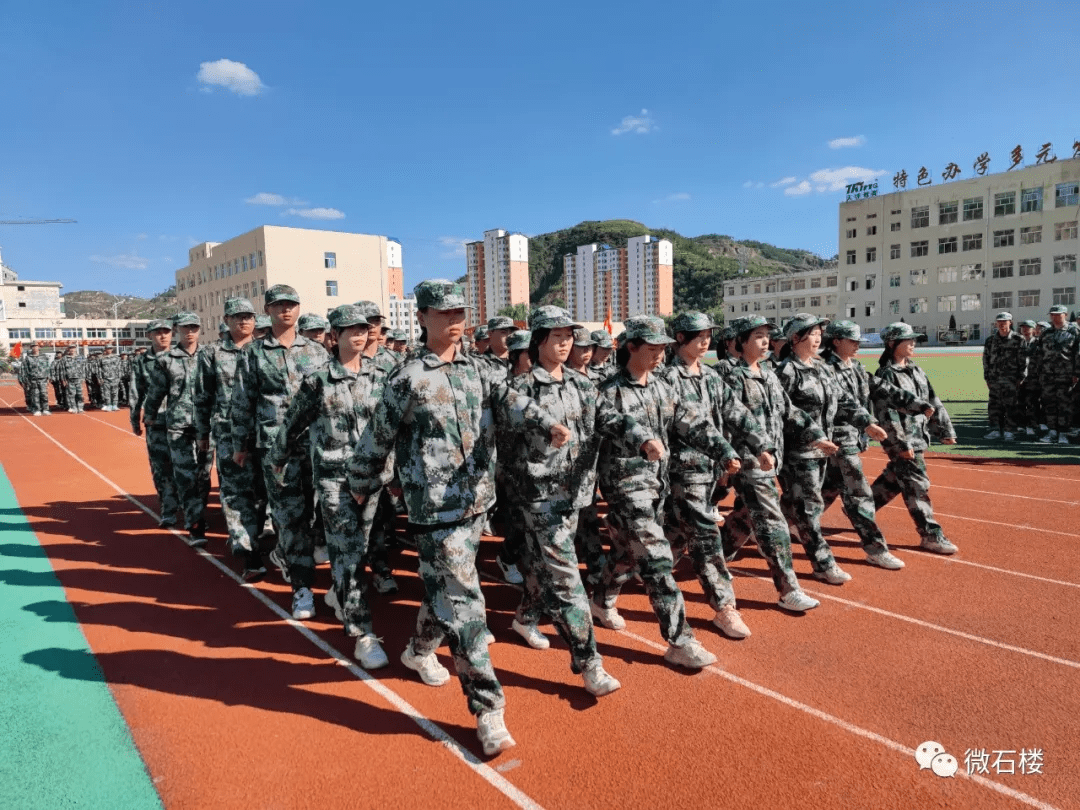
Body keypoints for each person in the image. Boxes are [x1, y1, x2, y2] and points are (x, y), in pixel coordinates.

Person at [348, 279, 571, 757]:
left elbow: (514, 400)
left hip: (476, 506)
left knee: (444, 591)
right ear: (423, 317)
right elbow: (375, 439)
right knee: (467, 605)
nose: (454, 321)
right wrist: (360, 482)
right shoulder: (407, 378)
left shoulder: (480, 372)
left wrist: (545, 422)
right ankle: (488, 708)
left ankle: (419, 649)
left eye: (459, 313)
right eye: (444, 313)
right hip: (434, 511)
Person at [506, 306, 653, 695]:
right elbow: (514, 430)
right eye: (556, 336)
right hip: (540, 498)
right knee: (568, 579)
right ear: (538, 340)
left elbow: (611, 416)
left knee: (545, 567)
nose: (565, 342)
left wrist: (640, 437)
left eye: (569, 335)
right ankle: (589, 663)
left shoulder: (581, 384)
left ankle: (525, 616)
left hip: (576, 494)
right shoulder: (519, 389)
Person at [591, 315, 747, 670]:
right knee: (658, 559)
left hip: (659, 486)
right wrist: (643, 440)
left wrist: (723, 451)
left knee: (629, 556)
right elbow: (613, 421)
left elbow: (691, 422)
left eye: (663, 347)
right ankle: (680, 640)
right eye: (652, 348)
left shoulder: (664, 387)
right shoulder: (607, 390)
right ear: (631, 347)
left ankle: (601, 597)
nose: (661, 354)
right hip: (627, 489)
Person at [270, 304, 391, 669]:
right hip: (335, 480)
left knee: (362, 548)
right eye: (349, 329)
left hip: (371, 479)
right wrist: (276, 458)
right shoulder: (318, 380)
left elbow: (391, 428)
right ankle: (361, 633)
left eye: (362, 328)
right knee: (347, 554)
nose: (359, 334)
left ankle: (341, 593)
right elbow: (292, 424)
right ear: (333, 336)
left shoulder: (382, 375)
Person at [660, 312, 775, 638]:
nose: (705, 340)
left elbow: (737, 414)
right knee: (706, 540)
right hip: (683, 473)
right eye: (698, 335)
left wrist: (760, 445)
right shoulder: (668, 379)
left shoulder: (710, 378)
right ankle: (725, 608)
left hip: (710, 473)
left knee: (671, 539)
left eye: (708, 334)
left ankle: (611, 583)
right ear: (680, 338)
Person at [232, 284, 331, 620]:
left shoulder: (317, 352)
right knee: (289, 518)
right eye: (278, 306)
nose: (285, 311)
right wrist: (240, 444)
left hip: (314, 444)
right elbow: (242, 401)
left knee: (318, 514)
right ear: (268, 311)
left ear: (299, 309)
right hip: (276, 449)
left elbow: (328, 399)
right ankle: (302, 588)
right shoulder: (254, 353)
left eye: (290, 305)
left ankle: (313, 573)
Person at [717, 316, 824, 613]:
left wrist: (816, 435)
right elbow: (727, 420)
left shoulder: (767, 373)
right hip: (745, 460)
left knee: (744, 516)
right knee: (772, 520)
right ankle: (788, 589)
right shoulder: (727, 375)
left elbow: (789, 411)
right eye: (759, 336)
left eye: (768, 337)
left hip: (767, 460)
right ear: (739, 341)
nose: (766, 342)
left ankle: (713, 555)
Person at [773, 313, 881, 585]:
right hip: (798, 453)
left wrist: (866, 422)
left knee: (800, 504)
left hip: (823, 450)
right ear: (796, 338)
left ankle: (732, 539)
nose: (819, 337)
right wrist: (813, 435)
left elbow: (843, 400)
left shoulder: (821, 368)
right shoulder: (785, 372)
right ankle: (823, 563)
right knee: (809, 509)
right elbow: (784, 413)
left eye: (821, 332)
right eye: (813, 333)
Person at [819, 320, 932, 571]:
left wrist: (916, 404)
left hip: (851, 438)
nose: (858, 345)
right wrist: (867, 422)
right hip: (837, 439)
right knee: (859, 494)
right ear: (836, 341)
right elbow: (843, 401)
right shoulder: (824, 368)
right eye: (853, 340)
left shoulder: (856, 367)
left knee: (827, 488)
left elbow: (880, 388)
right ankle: (875, 548)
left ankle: (777, 524)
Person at [194, 297, 267, 579]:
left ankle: (253, 536)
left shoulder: (263, 351)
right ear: (226, 320)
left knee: (262, 495)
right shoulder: (211, 354)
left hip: (262, 433)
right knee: (237, 493)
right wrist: (202, 434)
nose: (243, 320)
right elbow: (201, 397)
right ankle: (250, 554)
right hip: (227, 433)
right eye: (237, 316)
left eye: (248, 315)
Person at [871, 322, 958, 554]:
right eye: (907, 340)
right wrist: (899, 443)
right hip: (904, 440)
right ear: (892, 344)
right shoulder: (886, 375)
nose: (913, 344)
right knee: (917, 485)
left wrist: (945, 430)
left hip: (919, 436)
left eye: (914, 339)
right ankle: (930, 534)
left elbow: (932, 400)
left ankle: (862, 509)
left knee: (894, 478)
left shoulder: (916, 370)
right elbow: (887, 413)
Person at [143, 312, 212, 547]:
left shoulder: (210, 355)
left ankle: (200, 513)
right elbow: (155, 392)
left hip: (207, 426)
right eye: (185, 327)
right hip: (178, 428)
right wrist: (149, 416)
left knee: (203, 475)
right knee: (185, 476)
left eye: (194, 327)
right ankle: (195, 525)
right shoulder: (167, 360)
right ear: (177, 330)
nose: (190, 331)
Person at [130, 321, 182, 527]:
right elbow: (136, 392)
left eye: (166, 332)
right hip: (157, 422)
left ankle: (192, 510)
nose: (163, 336)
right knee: (161, 469)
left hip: (183, 422)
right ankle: (168, 509)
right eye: (158, 333)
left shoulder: (182, 357)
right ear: (150, 335)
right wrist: (135, 419)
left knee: (187, 469)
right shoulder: (142, 361)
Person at [1036, 305, 1080, 444]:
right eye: (1053, 314)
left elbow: (1078, 353)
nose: (1055, 317)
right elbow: (1039, 354)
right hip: (1047, 375)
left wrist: (1076, 372)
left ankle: (1063, 433)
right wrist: (1040, 372)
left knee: (1065, 405)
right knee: (1049, 403)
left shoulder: (1074, 331)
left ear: (1065, 315)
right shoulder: (1046, 332)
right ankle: (1052, 431)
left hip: (1065, 375)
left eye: (1058, 314)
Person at [982, 312, 1027, 441]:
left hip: (1011, 378)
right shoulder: (990, 340)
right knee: (994, 405)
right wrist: (987, 377)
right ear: (996, 323)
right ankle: (995, 429)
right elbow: (986, 360)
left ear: (1010, 322)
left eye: (1005, 321)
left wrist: (1021, 377)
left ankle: (1010, 430)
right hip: (994, 378)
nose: (1002, 324)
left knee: (1011, 405)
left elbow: (1023, 360)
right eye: (999, 322)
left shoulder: (1018, 339)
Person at [1016, 320, 1041, 437]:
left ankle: (1032, 425)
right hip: (1019, 378)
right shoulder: (1017, 343)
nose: (1025, 330)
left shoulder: (1039, 343)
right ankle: (1021, 425)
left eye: (1028, 328)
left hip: (1034, 378)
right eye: (1023, 328)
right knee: (1019, 402)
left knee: (1032, 403)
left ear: (1034, 330)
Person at [18, 342, 51, 416]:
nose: (35, 348)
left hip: (43, 379)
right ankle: (37, 409)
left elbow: (47, 368)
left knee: (44, 394)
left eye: (36, 346)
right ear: (31, 348)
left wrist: (48, 378)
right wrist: (24, 380)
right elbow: (24, 369)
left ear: (39, 347)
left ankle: (45, 409)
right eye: (33, 346)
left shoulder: (44, 357)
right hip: (33, 379)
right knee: (35, 395)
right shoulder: (28, 358)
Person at [58, 347, 88, 413]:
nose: (72, 350)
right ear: (68, 350)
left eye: (73, 348)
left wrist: (83, 377)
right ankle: (73, 407)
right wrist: (63, 379)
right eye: (70, 348)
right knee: (72, 394)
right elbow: (62, 370)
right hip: (69, 379)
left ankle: (80, 408)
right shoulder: (64, 359)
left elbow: (84, 368)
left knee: (79, 394)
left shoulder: (80, 358)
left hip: (78, 378)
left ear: (75, 349)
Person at [98, 346, 123, 411]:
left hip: (115, 377)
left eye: (110, 349)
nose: (109, 350)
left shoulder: (116, 358)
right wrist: (100, 378)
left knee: (115, 392)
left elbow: (119, 368)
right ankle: (108, 405)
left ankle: (114, 405)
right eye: (107, 349)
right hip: (106, 378)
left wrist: (119, 377)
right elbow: (99, 369)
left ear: (112, 349)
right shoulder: (101, 358)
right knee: (107, 392)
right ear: (105, 350)